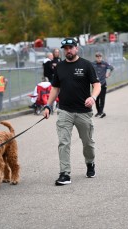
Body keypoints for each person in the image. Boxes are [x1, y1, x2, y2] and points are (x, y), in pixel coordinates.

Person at [43, 37, 101, 186]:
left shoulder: (86, 65)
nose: (68, 50)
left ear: (76, 48)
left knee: (88, 142)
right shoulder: (60, 67)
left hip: (83, 111)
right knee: (63, 142)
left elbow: (97, 85)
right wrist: (48, 106)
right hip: (65, 111)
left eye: (71, 47)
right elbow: (55, 88)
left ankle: (90, 163)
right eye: (65, 48)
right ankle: (65, 173)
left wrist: (93, 98)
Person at [92, 51, 114, 118]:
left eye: (100, 57)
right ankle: (98, 111)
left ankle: (101, 112)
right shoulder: (92, 64)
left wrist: (108, 73)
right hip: (95, 84)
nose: (99, 58)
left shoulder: (105, 64)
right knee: (96, 99)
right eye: (97, 57)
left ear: (101, 57)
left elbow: (111, 68)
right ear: (95, 57)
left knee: (102, 98)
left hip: (103, 83)